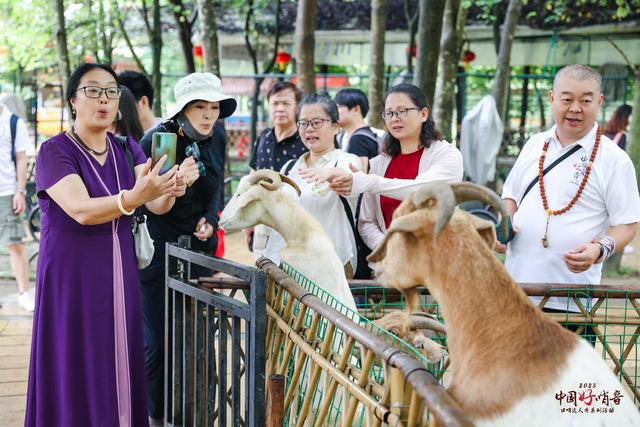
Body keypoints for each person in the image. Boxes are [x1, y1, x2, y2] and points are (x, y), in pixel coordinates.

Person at [25, 63, 185, 426]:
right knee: (74, 355)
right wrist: (132, 197)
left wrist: (172, 186)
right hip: (72, 275)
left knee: (117, 353)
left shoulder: (126, 148)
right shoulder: (55, 151)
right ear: (73, 100)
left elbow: (156, 202)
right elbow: (81, 210)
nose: (104, 99)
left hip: (120, 269)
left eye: (112, 91)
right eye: (92, 91)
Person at [499, 65, 640, 324]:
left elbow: (627, 225)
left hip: (571, 300)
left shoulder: (614, 160)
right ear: (552, 98)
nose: (575, 108)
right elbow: (511, 197)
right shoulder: (534, 144)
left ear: (599, 102)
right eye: (567, 99)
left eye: (585, 100)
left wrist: (599, 249)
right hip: (516, 291)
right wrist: (504, 228)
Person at [139, 72, 236, 424]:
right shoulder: (162, 139)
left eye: (214, 107)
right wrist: (179, 180)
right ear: (182, 109)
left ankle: (191, 414)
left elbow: (216, 186)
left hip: (198, 251)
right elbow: (152, 202)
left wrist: (209, 217)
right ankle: (152, 415)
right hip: (159, 253)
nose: (209, 115)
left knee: (195, 340)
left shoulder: (216, 136)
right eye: (200, 107)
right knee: (158, 344)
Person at [302, 83, 464, 257]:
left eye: (401, 111)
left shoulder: (447, 155)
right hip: (390, 265)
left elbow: (425, 191)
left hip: (437, 261)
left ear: (423, 114)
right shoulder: (380, 164)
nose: (394, 118)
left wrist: (370, 182)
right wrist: (389, 247)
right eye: (389, 113)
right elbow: (366, 222)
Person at [264, 94, 362, 276]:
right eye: (303, 123)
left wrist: (328, 173)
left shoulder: (346, 160)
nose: (309, 129)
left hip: (330, 266)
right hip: (285, 265)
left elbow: (349, 175)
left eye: (317, 122)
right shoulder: (289, 168)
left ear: (335, 126)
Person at [247, 81, 308, 257]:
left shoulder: (305, 140)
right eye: (275, 103)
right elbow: (253, 176)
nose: (279, 108)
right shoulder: (263, 137)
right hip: (262, 220)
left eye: (286, 103)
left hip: (294, 224)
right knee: (261, 270)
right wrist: (248, 224)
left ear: (297, 107)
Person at [0, 95, 34, 311]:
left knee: (14, 242)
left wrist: (20, 190)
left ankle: (24, 293)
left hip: (6, 191)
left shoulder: (13, 122)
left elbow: (21, 158)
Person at [334, 87, 381, 172]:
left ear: (356, 109)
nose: (334, 112)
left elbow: (360, 177)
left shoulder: (359, 139)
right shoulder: (366, 135)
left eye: (338, 107)